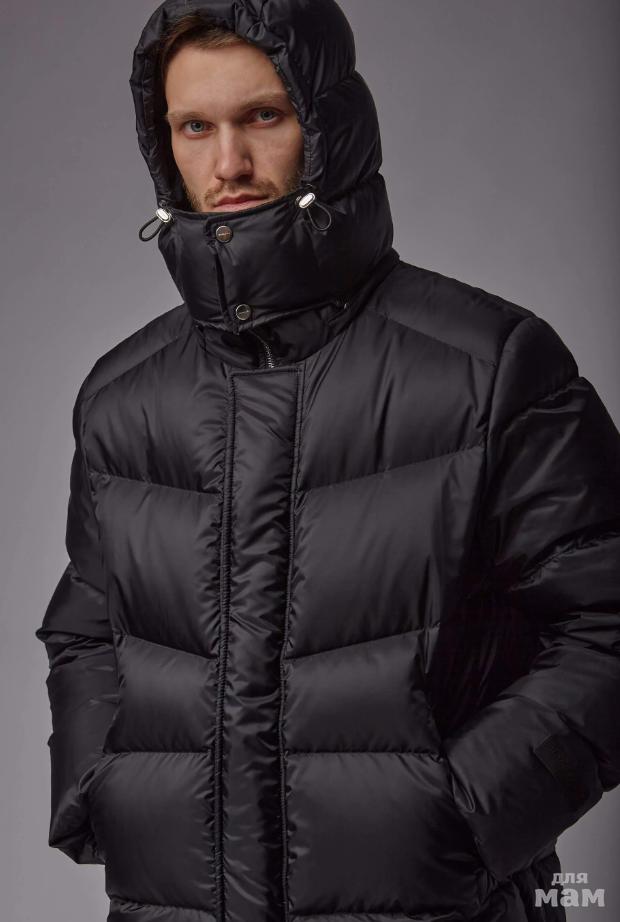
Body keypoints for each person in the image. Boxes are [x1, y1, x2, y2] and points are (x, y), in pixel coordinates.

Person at [34, 2, 620, 921]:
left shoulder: (490, 367)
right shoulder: (122, 396)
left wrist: (461, 820)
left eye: (262, 116)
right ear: (164, 145)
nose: (228, 163)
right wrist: (100, 787)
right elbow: (87, 630)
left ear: (329, 125)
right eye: (195, 128)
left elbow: (605, 621)